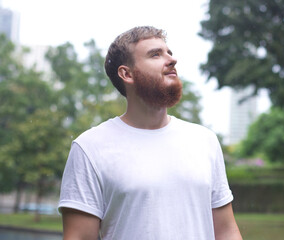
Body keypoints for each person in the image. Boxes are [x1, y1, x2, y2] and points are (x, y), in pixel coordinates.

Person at [58, 26, 243, 240]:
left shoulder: (204, 140)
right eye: (155, 54)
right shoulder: (90, 148)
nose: (171, 60)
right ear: (126, 74)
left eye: (169, 53)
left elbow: (226, 231)